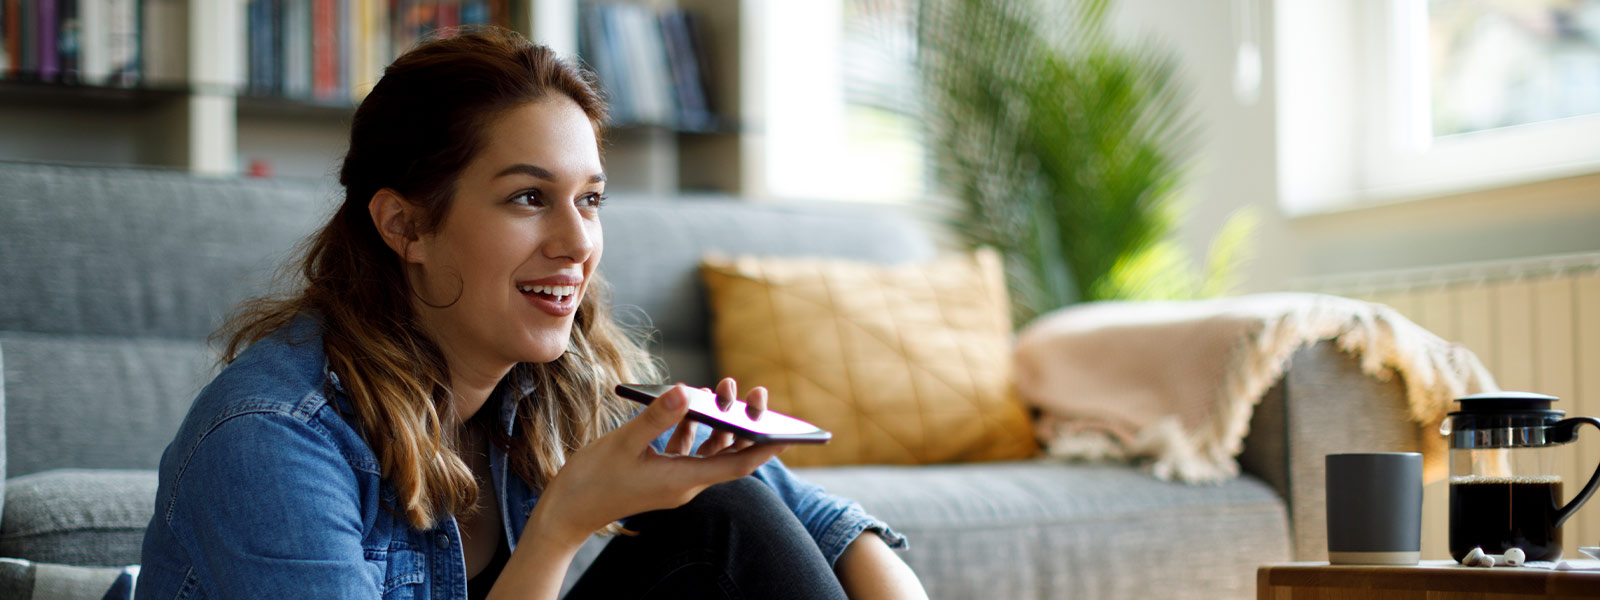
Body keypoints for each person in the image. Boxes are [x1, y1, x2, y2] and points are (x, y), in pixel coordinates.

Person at [135, 27, 927, 600]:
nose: (579, 241)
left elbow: (827, 525)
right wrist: (561, 524)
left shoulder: (562, 379)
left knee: (723, 510)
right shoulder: (271, 439)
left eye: (590, 199)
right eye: (527, 198)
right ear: (403, 225)